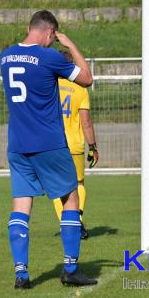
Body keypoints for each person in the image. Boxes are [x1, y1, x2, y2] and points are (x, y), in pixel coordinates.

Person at [0, 10, 98, 289]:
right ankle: (70, 269)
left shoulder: (6, 56)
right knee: (71, 199)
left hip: (18, 145)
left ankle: (21, 274)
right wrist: (71, 46)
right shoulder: (50, 57)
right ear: (49, 32)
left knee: (21, 206)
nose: (53, 43)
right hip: (49, 144)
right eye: (53, 38)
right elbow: (87, 78)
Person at [52, 51, 99, 240]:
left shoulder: (50, 85)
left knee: (56, 187)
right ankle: (77, 216)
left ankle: (67, 223)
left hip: (53, 144)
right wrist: (93, 146)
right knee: (78, 183)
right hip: (75, 145)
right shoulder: (80, 89)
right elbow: (86, 122)